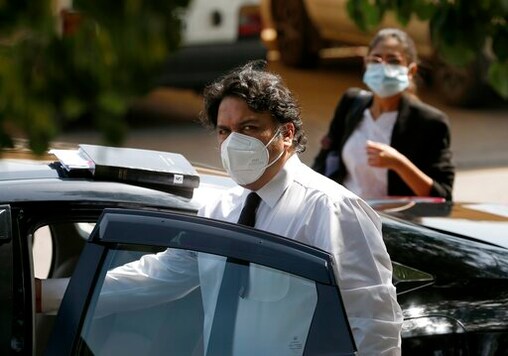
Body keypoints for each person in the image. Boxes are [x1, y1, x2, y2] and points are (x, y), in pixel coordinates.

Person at [39, 60, 403, 355]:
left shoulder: (331, 209)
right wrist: (46, 295)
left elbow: (375, 329)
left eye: (248, 127)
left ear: (287, 133)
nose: (233, 142)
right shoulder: (221, 209)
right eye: (224, 131)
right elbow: (158, 276)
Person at [313, 28, 455, 201]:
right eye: (376, 60)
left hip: (392, 223)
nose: (383, 67)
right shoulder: (351, 103)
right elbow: (325, 161)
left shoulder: (430, 123)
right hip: (343, 214)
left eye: (394, 61)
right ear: (366, 64)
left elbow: (442, 195)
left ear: (411, 71)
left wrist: (399, 164)